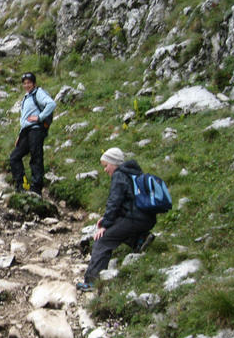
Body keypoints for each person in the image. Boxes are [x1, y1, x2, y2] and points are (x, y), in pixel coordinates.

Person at [76, 148, 157, 291]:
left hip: (135, 218)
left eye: (106, 165)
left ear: (114, 163)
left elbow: (114, 202)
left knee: (103, 240)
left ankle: (92, 281)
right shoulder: (134, 173)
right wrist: (106, 219)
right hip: (146, 218)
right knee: (118, 229)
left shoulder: (119, 176)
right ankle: (140, 239)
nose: (105, 170)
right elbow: (126, 203)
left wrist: (104, 225)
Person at [9, 72, 56, 195]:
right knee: (14, 157)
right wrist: (20, 134)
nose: (26, 85)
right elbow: (24, 118)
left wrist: (39, 117)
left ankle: (36, 188)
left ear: (34, 83)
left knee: (36, 158)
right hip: (26, 131)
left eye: (29, 82)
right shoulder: (27, 97)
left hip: (36, 130)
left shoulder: (38, 93)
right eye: (24, 83)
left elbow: (51, 104)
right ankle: (21, 185)